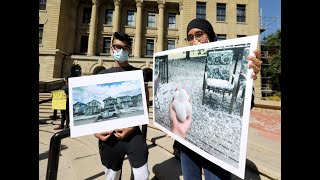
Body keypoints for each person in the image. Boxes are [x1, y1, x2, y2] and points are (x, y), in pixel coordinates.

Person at [170, 18, 262, 180]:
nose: (195, 40)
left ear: (210, 36)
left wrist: (248, 79)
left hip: (215, 144)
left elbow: (247, 103)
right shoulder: (188, 65)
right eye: (190, 37)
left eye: (199, 34)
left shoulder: (229, 62)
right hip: (188, 143)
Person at [94, 32, 149, 180]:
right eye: (117, 47)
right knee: (112, 176)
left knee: (142, 175)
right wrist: (95, 131)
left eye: (125, 48)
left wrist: (131, 128)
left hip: (133, 135)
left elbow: (144, 106)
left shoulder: (138, 73)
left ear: (129, 51)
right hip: (109, 137)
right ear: (111, 48)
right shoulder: (101, 75)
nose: (121, 51)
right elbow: (98, 106)